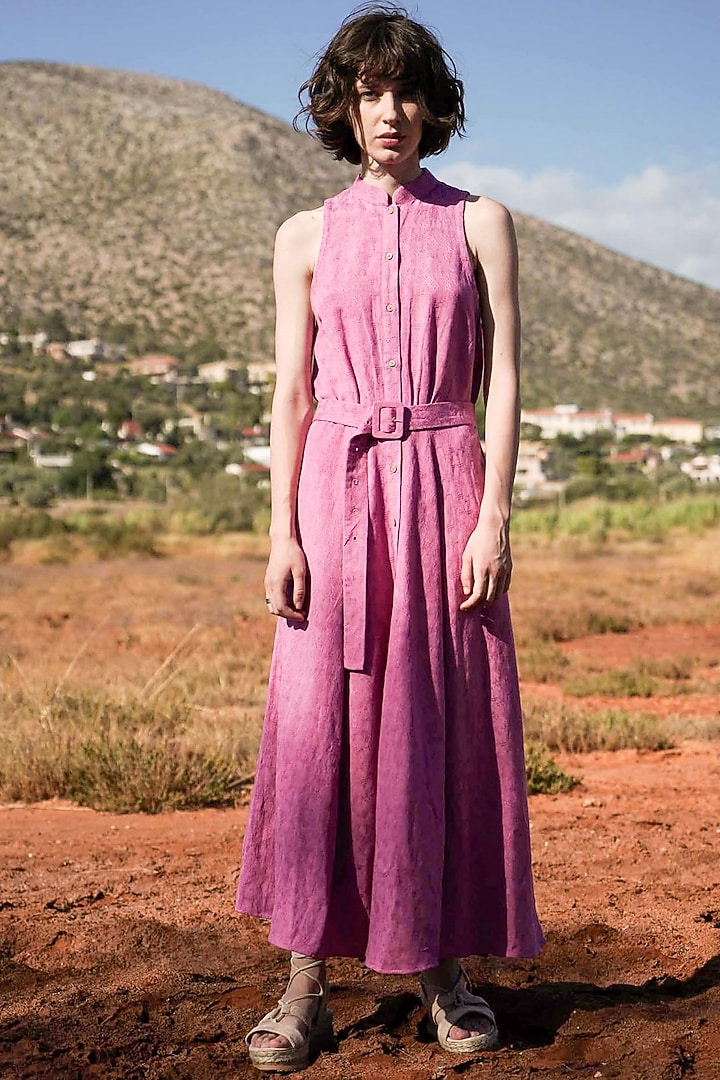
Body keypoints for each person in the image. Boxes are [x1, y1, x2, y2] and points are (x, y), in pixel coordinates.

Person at [236, 4, 544, 1071]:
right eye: (370, 92)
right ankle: (306, 984)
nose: (391, 112)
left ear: (432, 106)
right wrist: (281, 529)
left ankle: (443, 973)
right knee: (318, 728)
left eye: (408, 92)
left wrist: (494, 512)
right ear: (344, 105)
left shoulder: (481, 221)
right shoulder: (305, 235)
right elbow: (291, 390)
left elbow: (502, 378)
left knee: (439, 721)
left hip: (449, 483)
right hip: (336, 487)